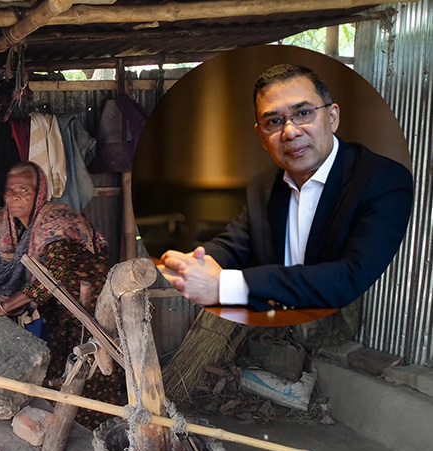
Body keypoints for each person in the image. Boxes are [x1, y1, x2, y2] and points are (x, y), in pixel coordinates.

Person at [158, 63, 413, 311]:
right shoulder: (264, 186)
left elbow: (355, 278)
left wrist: (225, 285)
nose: (290, 132)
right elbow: (231, 246)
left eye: (303, 113)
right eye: (274, 121)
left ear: (332, 117)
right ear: (261, 137)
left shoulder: (383, 180)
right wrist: (186, 268)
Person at [0, 161, 123, 427]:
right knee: (61, 370)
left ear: (39, 193)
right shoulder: (16, 231)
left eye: (23, 189)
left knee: (86, 370)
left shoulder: (55, 223)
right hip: (57, 308)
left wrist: (0, 308)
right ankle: (67, 427)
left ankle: (99, 431)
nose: (14, 196)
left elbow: (53, 279)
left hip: (85, 308)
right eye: (9, 190)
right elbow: (3, 273)